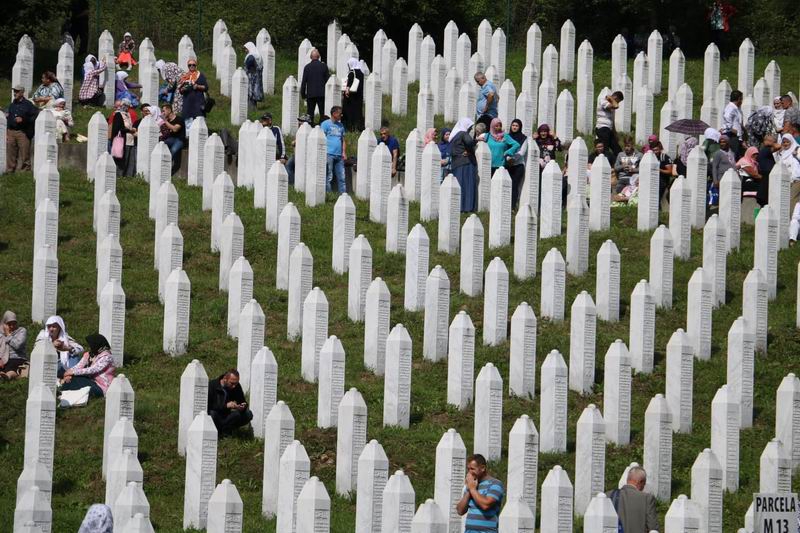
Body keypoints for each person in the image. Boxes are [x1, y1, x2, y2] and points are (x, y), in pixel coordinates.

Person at [456, 454, 504, 533]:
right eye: (468, 469)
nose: (469, 472)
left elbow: (486, 505)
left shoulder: (495, 484)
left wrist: (472, 489)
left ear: (482, 468)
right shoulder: (472, 485)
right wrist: (469, 490)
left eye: (472, 469)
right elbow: (460, 511)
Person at [61, 333, 116, 399]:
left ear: (97, 344)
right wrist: (68, 373)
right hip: (91, 382)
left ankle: (64, 394)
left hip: (102, 387)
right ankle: (64, 394)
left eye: (91, 344)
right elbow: (78, 366)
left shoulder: (107, 357)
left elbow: (93, 369)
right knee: (73, 378)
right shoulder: (89, 354)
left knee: (76, 379)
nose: (90, 347)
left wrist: (73, 372)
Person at [607, 466, 659, 532]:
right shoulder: (647, 498)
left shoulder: (607, 495)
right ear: (641, 482)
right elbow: (653, 528)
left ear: (627, 479)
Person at [207, 369, 253, 435]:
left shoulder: (236, 386)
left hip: (227, 415)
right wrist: (226, 406)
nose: (234, 386)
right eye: (232, 383)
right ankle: (219, 431)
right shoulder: (212, 386)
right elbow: (208, 405)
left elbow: (242, 401)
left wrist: (242, 406)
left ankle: (227, 429)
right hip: (216, 415)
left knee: (248, 414)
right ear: (225, 378)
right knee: (212, 414)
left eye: (236, 383)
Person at [6, 85, 39, 172]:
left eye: (17, 91)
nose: (15, 93)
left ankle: (25, 169)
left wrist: (24, 120)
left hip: (23, 131)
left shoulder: (28, 105)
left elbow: (35, 116)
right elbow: (8, 117)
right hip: (11, 131)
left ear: (22, 93)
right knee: (11, 152)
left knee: (24, 152)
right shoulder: (12, 105)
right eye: (14, 91)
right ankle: (10, 169)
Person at [450, 118, 479, 212]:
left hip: (456, 163)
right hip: (466, 163)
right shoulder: (463, 133)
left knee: (459, 185)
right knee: (467, 185)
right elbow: (470, 142)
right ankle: (467, 207)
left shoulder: (454, 135)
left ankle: (459, 207)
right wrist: (476, 141)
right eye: (469, 127)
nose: (470, 129)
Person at [320, 106, 347, 193]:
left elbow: (343, 140)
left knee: (342, 177)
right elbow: (321, 138)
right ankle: (329, 194)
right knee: (329, 176)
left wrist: (344, 152)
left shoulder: (341, 126)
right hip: (329, 153)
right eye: (340, 114)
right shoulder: (325, 124)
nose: (341, 115)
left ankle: (343, 195)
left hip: (339, 155)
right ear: (334, 114)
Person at [177, 59, 208, 131]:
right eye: (189, 65)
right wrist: (183, 89)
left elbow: (206, 87)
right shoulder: (184, 77)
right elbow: (180, 90)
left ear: (196, 65)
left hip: (198, 103)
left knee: (200, 124)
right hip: (187, 104)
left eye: (193, 65)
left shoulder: (200, 75)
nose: (191, 66)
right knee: (188, 127)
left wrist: (198, 86)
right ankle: (189, 140)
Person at [300, 49, 328, 124]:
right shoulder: (324, 66)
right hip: (322, 94)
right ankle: (322, 126)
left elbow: (304, 82)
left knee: (310, 113)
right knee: (322, 112)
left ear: (310, 57)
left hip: (310, 94)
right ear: (318, 57)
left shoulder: (307, 67)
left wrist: (303, 94)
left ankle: (310, 126)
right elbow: (327, 81)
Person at [110, 99, 137, 176]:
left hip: (130, 140)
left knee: (130, 160)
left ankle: (128, 175)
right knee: (122, 159)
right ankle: (119, 175)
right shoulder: (118, 114)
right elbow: (117, 129)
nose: (126, 107)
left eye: (127, 106)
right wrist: (129, 130)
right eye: (125, 105)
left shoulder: (127, 114)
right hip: (122, 140)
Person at [595, 90, 624, 162]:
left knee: (617, 149)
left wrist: (615, 133)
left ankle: (618, 163)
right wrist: (611, 98)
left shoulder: (612, 103)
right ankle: (605, 164)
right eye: (618, 100)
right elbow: (615, 106)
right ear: (615, 97)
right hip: (602, 128)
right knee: (605, 149)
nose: (618, 103)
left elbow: (612, 121)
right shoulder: (603, 101)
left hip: (609, 129)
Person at [506, 118, 528, 209]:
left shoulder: (523, 138)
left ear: (520, 127)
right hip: (507, 165)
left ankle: (512, 206)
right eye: (513, 125)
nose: (514, 127)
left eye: (517, 126)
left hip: (518, 165)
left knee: (514, 185)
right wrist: (507, 159)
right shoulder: (507, 136)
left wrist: (512, 159)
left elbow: (522, 152)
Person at [0, 311, 28, 380]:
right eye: (9, 324)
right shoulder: (1, 333)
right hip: (3, 359)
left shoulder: (21, 331)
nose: (12, 326)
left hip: (17, 358)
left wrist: (8, 335)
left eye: (14, 323)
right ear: (4, 324)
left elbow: (18, 346)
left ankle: (8, 376)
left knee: (11, 368)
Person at [159, 103, 185, 175]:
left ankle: (167, 169)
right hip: (171, 139)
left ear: (169, 110)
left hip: (179, 140)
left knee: (173, 150)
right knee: (162, 144)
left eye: (164, 111)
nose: (162, 113)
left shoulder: (179, 119)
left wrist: (165, 121)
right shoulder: (168, 121)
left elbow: (175, 129)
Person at [342, 58, 364, 131]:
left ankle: (350, 127)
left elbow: (349, 83)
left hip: (351, 97)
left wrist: (347, 91)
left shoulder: (352, 72)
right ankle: (358, 127)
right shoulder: (361, 73)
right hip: (359, 96)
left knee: (349, 112)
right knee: (358, 112)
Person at [756, 134, 778, 206]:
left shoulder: (765, 151)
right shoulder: (766, 150)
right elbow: (779, 146)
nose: (774, 142)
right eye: (771, 141)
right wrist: (771, 143)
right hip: (767, 177)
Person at [722, 90, 744, 158]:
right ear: (739, 99)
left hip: (737, 138)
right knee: (733, 157)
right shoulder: (730, 108)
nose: (741, 101)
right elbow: (727, 118)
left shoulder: (736, 108)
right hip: (732, 137)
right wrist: (731, 129)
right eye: (741, 99)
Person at [244, 42, 264, 113]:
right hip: (257, 76)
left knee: (250, 93)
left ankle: (251, 109)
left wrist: (246, 69)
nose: (245, 50)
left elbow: (249, 64)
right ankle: (253, 108)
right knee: (255, 92)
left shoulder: (251, 56)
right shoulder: (258, 55)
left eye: (246, 49)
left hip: (251, 76)